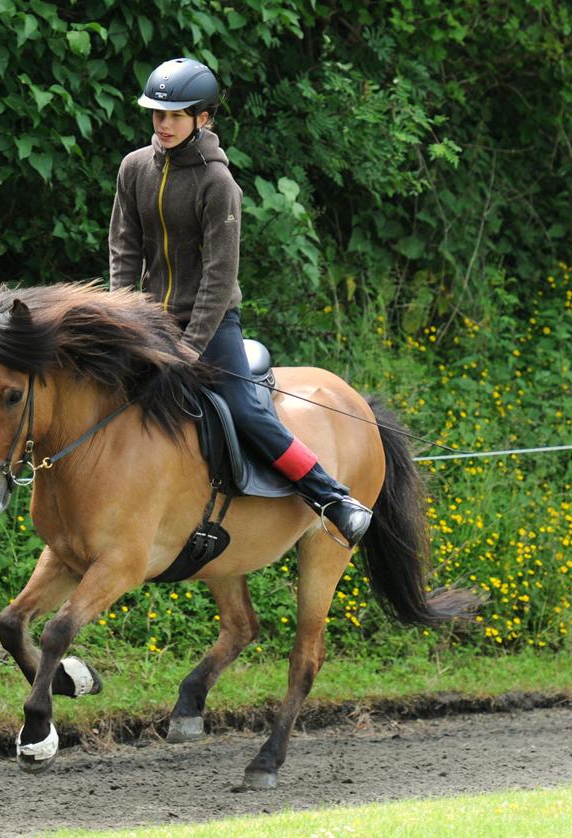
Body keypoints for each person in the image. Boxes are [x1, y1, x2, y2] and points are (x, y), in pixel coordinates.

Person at [108, 57, 373, 547]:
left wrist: (186, 350)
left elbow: (218, 276)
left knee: (245, 410)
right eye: (157, 114)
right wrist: (122, 319)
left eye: (177, 115)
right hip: (146, 319)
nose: (164, 125)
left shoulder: (218, 184)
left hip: (209, 324)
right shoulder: (134, 169)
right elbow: (123, 251)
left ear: (203, 119)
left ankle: (332, 497)